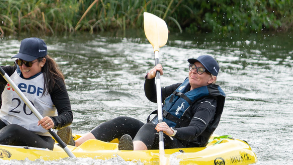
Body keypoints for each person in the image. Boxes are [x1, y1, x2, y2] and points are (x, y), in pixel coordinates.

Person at [75, 54, 226, 151]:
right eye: (192, 67)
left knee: (150, 128)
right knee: (123, 121)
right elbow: (154, 96)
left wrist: (172, 131)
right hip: (161, 133)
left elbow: (196, 130)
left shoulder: (207, 103)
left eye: (200, 70)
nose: (194, 71)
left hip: (182, 143)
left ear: (211, 79)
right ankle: (75, 144)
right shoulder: (182, 87)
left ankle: (132, 155)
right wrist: (150, 78)